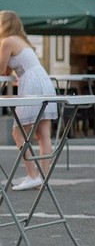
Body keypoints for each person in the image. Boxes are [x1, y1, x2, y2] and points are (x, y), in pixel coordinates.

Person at [0, 11, 57, 191]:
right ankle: (43, 178)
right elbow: (7, 70)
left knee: (18, 133)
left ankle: (32, 175)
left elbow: (1, 70)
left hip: (31, 85)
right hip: (43, 80)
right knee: (43, 134)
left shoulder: (7, 41)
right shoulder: (22, 41)